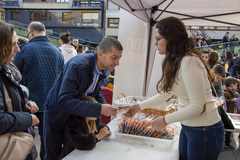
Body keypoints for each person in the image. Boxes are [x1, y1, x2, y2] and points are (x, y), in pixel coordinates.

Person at [125, 17, 224, 160]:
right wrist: (138, 106)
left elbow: (197, 106)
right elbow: (168, 93)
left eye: (158, 39)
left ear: (171, 39)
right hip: (190, 127)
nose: (155, 43)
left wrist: (164, 120)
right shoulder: (178, 60)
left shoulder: (189, 61)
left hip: (205, 129)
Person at [43, 37, 123, 160]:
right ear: (100, 54)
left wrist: (106, 106)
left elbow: (95, 92)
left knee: (70, 152)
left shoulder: (100, 69)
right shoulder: (79, 66)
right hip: (57, 116)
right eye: (114, 58)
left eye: (119, 58)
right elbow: (65, 100)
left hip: (72, 116)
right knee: (53, 155)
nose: (117, 63)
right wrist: (99, 108)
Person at [14, 21, 64, 160]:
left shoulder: (24, 49)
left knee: (25, 138)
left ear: (31, 33)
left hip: (29, 103)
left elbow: (15, 76)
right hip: (52, 103)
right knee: (47, 139)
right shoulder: (57, 52)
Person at [0, 20, 40, 160]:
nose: (18, 49)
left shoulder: (5, 68)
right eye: (12, 44)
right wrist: (28, 118)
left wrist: (25, 103)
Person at [223, 77, 239, 150]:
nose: (237, 87)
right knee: (229, 128)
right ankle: (227, 144)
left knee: (228, 128)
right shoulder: (226, 92)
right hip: (227, 113)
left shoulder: (230, 92)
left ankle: (227, 140)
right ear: (232, 85)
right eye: (236, 85)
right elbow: (224, 101)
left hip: (229, 112)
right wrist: (232, 100)